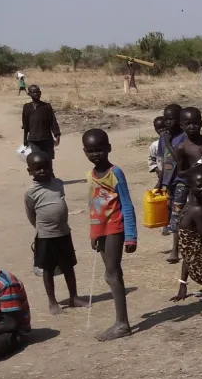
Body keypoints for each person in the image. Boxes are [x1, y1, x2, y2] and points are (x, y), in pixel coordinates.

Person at [83, 128, 137, 341]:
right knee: (110, 273)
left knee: (112, 273)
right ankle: (121, 321)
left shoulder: (115, 173)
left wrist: (131, 235)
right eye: (90, 151)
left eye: (100, 150)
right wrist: (93, 233)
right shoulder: (89, 175)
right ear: (85, 151)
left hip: (115, 227)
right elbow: (93, 205)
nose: (95, 154)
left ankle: (122, 323)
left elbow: (127, 204)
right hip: (100, 229)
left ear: (109, 149)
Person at [24, 151, 82, 313]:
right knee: (47, 269)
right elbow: (31, 214)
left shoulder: (58, 184)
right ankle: (53, 302)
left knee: (68, 266)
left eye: (46, 167)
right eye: (37, 168)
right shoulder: (31, 193)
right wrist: (41, 228)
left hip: (63, 232)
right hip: (45, 236)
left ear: (51, 167)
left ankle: (74, 297)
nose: (42, 171)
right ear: (30, 172)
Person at [172, 167, 202, 302]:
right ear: (190, 187)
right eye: (200, 186)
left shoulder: (188, 207)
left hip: (197, 270)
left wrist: (183, 284)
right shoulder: (197, 211)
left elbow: (189, 252)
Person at [155, 103, 184, 247]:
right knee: (170, 209)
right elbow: (162, 159)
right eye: (166, 119)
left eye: (171, 119)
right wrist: (160, 180)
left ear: (180, 120)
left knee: (177, 213)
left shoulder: (184, 136)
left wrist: (167, 142)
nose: (167, 122)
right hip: (168, 181)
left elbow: (179, 158)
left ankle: (175, 248)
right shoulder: (163, 137)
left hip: (182, 179)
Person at [21, 85, 61, 161]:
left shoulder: (47, 107)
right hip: (33, 140)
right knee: (37, 160)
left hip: (47, 139)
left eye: (37, 92)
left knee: (48, 160)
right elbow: (25, 124)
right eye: (33, 92)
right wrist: (25, 139)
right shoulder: (27, 107)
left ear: (40, 93)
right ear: (29, 94)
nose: (36, 94)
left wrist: (57, 134)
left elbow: (53, 121)